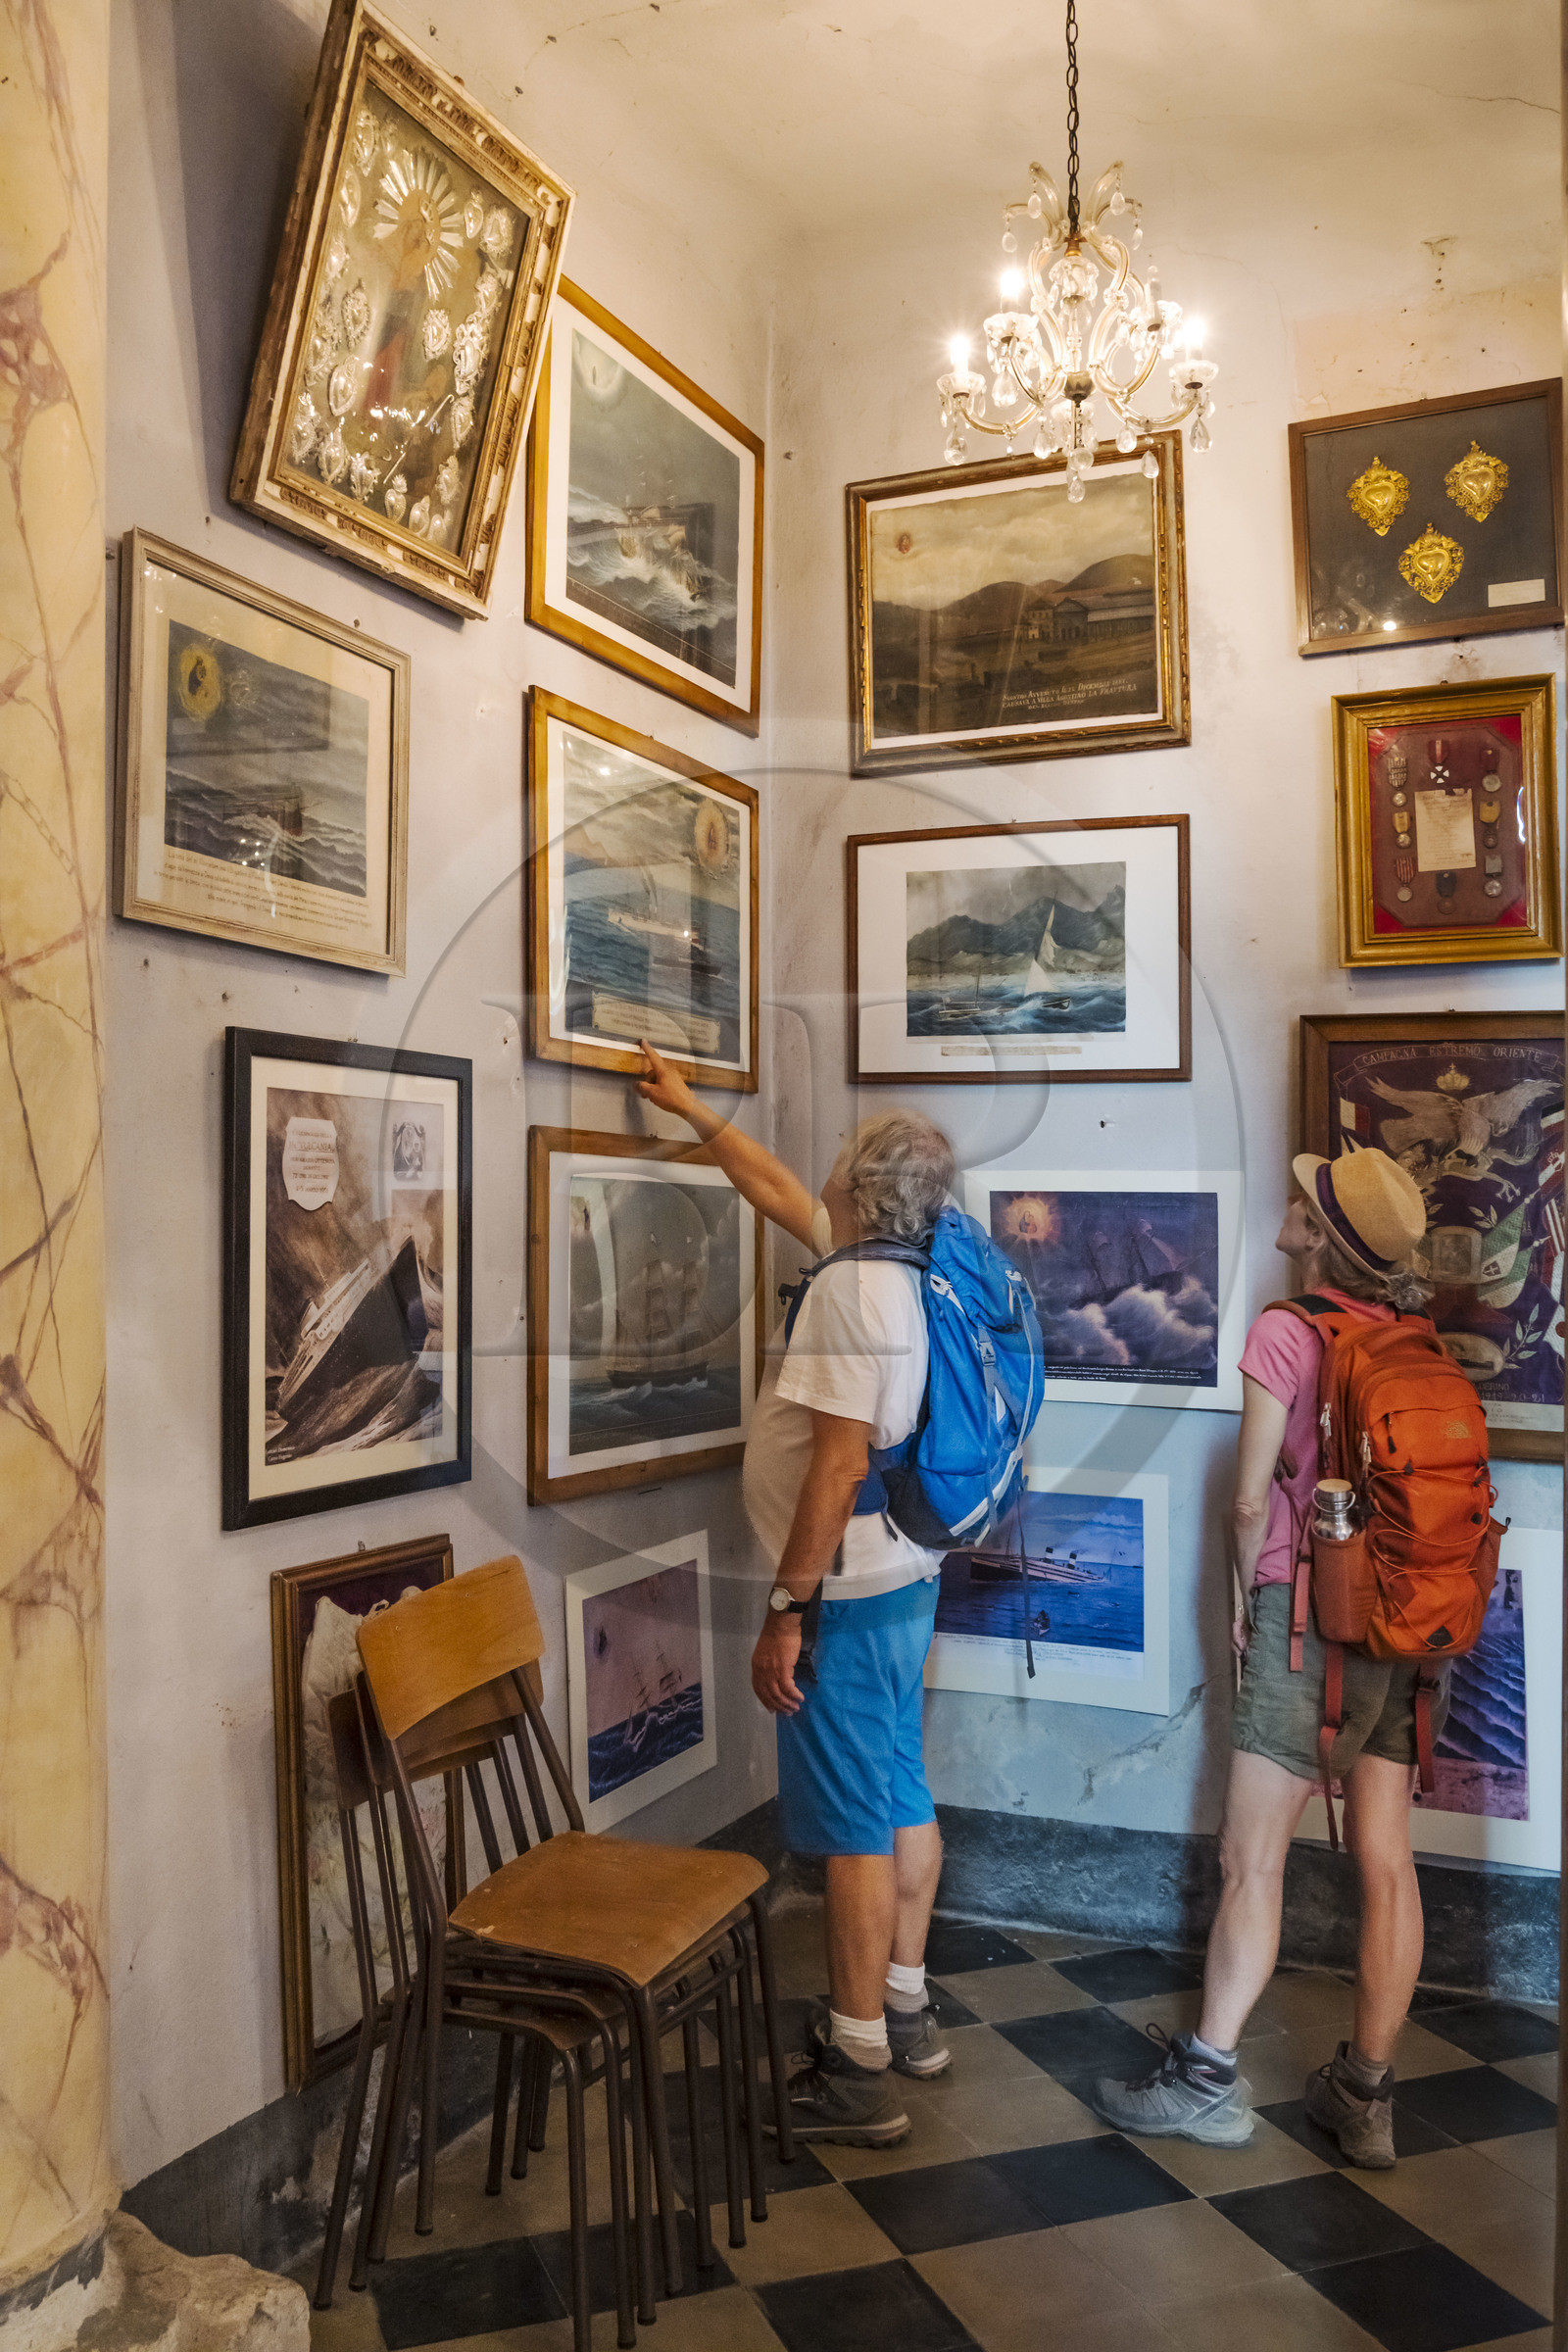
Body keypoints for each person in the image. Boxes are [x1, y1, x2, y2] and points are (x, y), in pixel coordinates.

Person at [1095, 1147, 1444, 2170]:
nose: (1289, 1205)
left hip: (1312, 1621)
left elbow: (1250, 1499)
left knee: (1251, 1858)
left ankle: (1206, 2084)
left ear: (1321, 1236)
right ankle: (1365, 2097)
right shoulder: (1412, 1337)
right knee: (1386, 1862)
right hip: (1405, 1624)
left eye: (1305, 1200)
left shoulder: (1288, 1332)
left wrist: (1250, 1605)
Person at [637, 1040, 956, 2147]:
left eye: (835, 1158)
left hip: (846, 1590)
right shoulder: (910, 1264)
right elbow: (776, 1189)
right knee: (899, 1787)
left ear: (858, 1185)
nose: (815, 1168)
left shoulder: (851, 1294)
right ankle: (905, 2011)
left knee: (858, 1824)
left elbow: (834, 1468)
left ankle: (859, 2063)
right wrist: (692, 1110)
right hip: (904, 1575)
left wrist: (786, 1612)